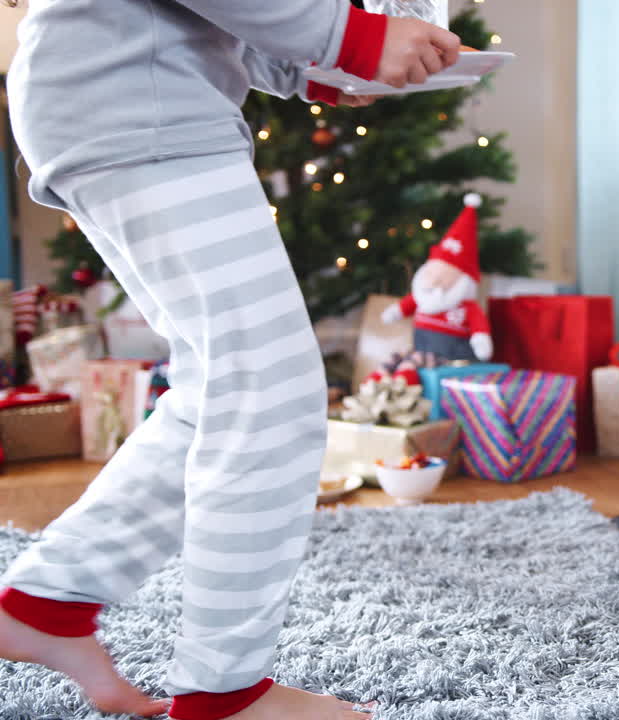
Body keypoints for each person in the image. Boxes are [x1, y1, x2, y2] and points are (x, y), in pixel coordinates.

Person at [0, 1, 460, 718]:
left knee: (222, 386)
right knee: (267, 390)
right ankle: (225, 694)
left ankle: (47, 601)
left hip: (122, 96)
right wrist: (353, 37)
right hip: (137, 106)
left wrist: (318, 69)